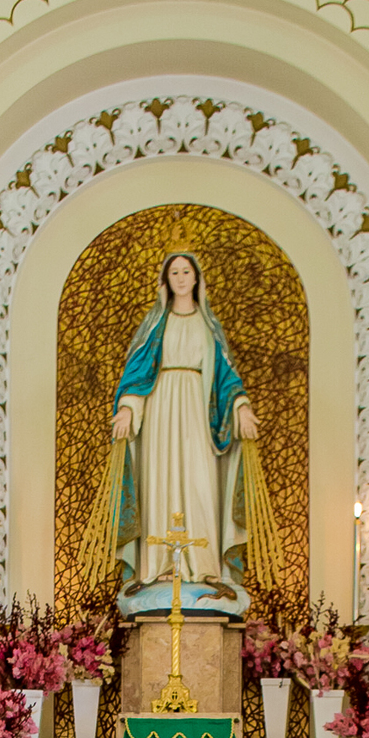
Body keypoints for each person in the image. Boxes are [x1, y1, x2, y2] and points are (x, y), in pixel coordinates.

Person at [110, 252, 258, 613]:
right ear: (165, 279)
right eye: (173, 271)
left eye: (185, 271)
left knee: (199, 483)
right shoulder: (155, 325)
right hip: (159, 410)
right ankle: (156, 566)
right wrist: (128, 407)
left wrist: (240, 407)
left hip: (197, 411)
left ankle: (205, 567)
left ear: (196, 278)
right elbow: (138, 372)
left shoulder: (209, 327)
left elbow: (226, 378)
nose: (180, 277)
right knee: (159, 481)